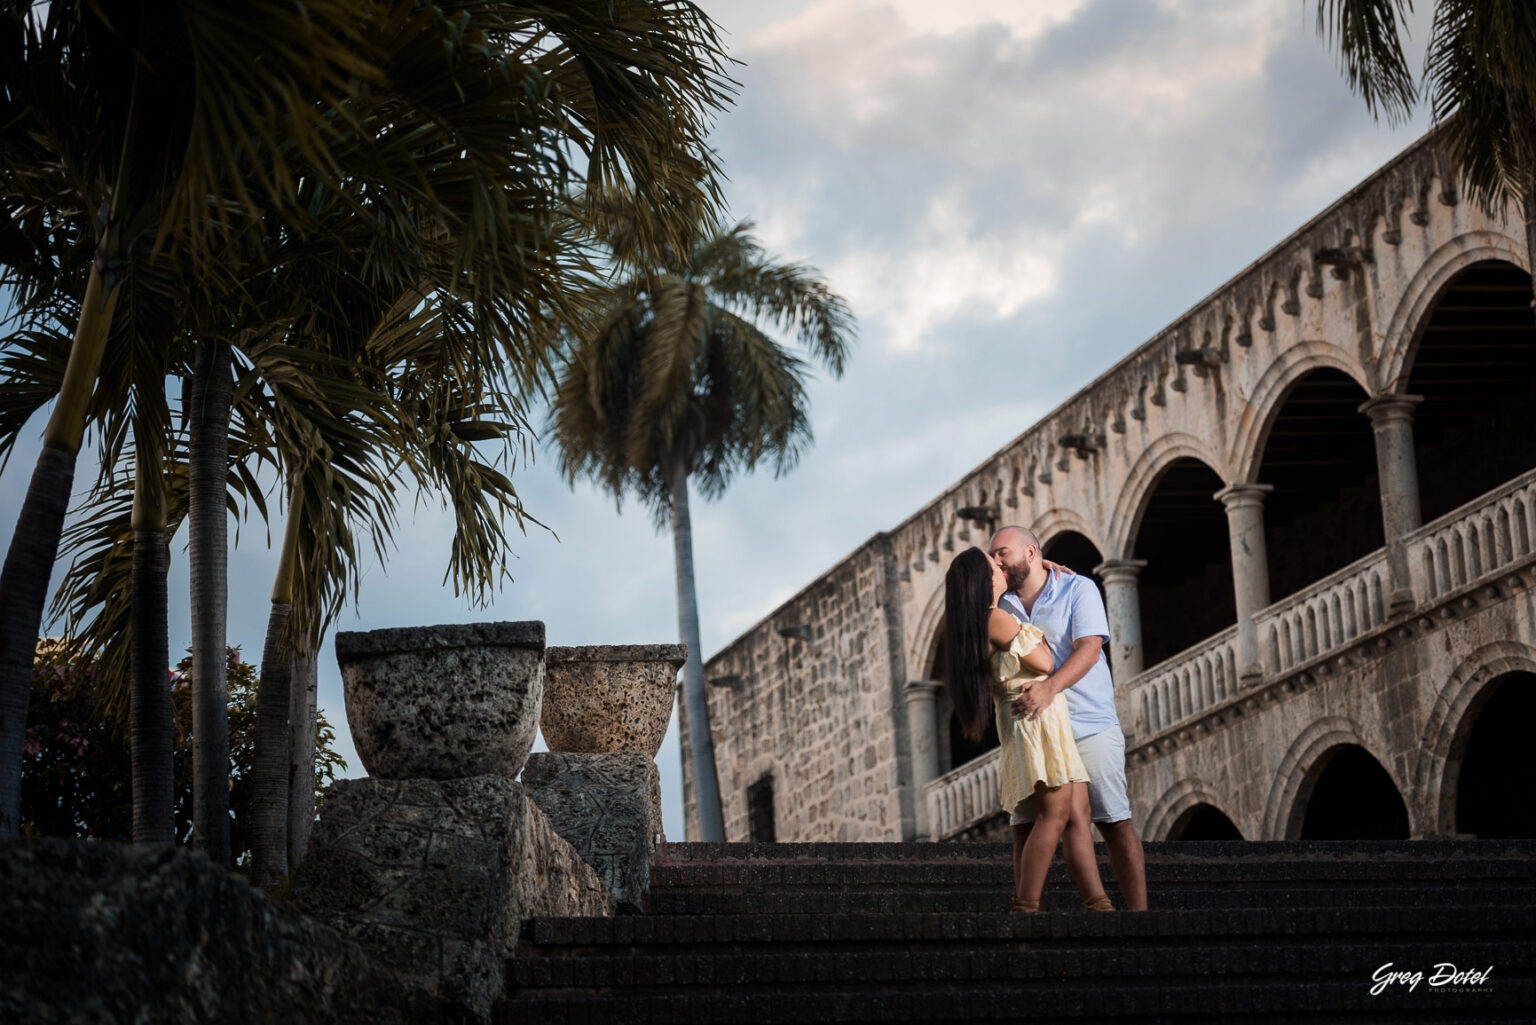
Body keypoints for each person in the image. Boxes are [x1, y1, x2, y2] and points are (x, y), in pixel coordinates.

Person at [943, 546, 1113, 913]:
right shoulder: (996, 618)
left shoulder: (983, 619)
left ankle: (1098, 902)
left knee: (1075, 814)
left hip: (1042, 721)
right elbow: (1045, 660)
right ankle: (1027, 904)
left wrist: (1042, 566)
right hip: (1036, 723)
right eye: (995, 565)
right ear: (986, 580)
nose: (1002, 566)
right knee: (1054, 815)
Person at [989, 525, 1149, 911]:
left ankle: (1141, 917)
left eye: (1003, 553)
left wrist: (1049, 688)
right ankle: (1035, 911)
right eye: (991, 557)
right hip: (1036, 731)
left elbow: (1090, 650)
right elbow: (966, 572)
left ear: (1030, 553)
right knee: (1024, 827)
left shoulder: (1078, 589)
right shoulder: (1000, 604)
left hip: (1089, 723)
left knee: (1113, 820)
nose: (996, 561)